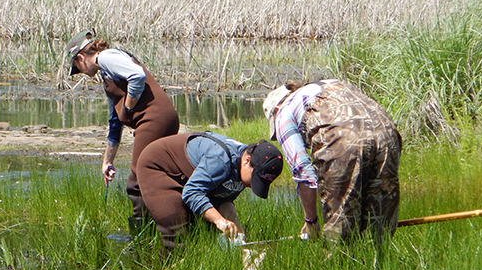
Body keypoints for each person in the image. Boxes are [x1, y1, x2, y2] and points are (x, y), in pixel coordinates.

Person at [66, 31, 179, 231]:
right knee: (160, 176)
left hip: (154, 120)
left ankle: (146, 237)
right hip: (158, 120)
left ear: (81, 57)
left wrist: (128, 106)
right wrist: (107, 160)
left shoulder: (107, 57)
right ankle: (172, 227)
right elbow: (115, 121)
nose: (81, 72)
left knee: (138, 182)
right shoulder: (107, 74)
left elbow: (137, 76)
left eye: (77, 67)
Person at [263, 79, 402, 242]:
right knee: (380, 231)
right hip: (387, 134)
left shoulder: (283, 112)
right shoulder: (330, 84)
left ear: (275, 109)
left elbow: (303, 172)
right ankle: (378, 265)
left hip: (343, 139)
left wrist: (311, 221)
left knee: (339, 235)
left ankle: (342, 265)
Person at [136, 131, 283, 248]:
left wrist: (233, 221)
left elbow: (223, 197)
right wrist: (219, 220)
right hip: (159, 167)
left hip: (189, 177)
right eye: (254, 179)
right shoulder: (221, 160)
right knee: (178, 231)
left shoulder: (243, 168)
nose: (252, 186)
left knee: (206, 234)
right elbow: (192, 193)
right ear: (247, 160)